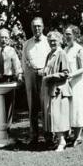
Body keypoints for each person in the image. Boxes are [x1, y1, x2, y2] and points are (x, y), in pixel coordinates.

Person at [40, 31, 72, 152]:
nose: (52, 42)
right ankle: (59, 140)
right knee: (53, 115)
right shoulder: (50, 54)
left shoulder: (61, 53)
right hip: (51, 89)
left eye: (54, 40)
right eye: (50, 40)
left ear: (59, 41)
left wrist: (50, 76)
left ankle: (62, 142)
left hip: (59, 89)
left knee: (58, 116)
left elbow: (65, 73)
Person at [21, 17, 51, 146]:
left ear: (43, 27)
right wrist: (25, 73)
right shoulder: (27, 44)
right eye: (34, 26)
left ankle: (49, 136)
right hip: (31, 76)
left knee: (46, 107)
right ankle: (33, 136)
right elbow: (24, 60)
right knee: (32, 107)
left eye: (39, 26)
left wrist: (45, 70)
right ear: (31, 28)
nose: (36, 28)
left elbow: (53, 59)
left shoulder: (48, 42)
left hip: (45, 76)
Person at [64, 25, 83, 146]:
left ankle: (78, 137)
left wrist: (72, 75)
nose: (66, 36)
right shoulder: (65, 49)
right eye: (65, 34)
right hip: (67, 83)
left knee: (78, 108)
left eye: (69, 34)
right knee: (69, 108)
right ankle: (71, 135)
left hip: (77, 83)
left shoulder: (79, 49)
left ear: (75, 35)